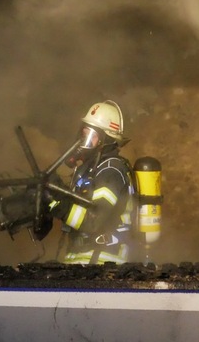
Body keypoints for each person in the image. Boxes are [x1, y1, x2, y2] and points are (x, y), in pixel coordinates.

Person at [47, 100, 136, 265]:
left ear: (106, 139)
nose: (83, 142)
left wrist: (58, 204)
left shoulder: (111, 170)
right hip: (81, 260)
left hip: (106, 262)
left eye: (90, 136)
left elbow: (94, 221)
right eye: (83, 134)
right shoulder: (87, 171)